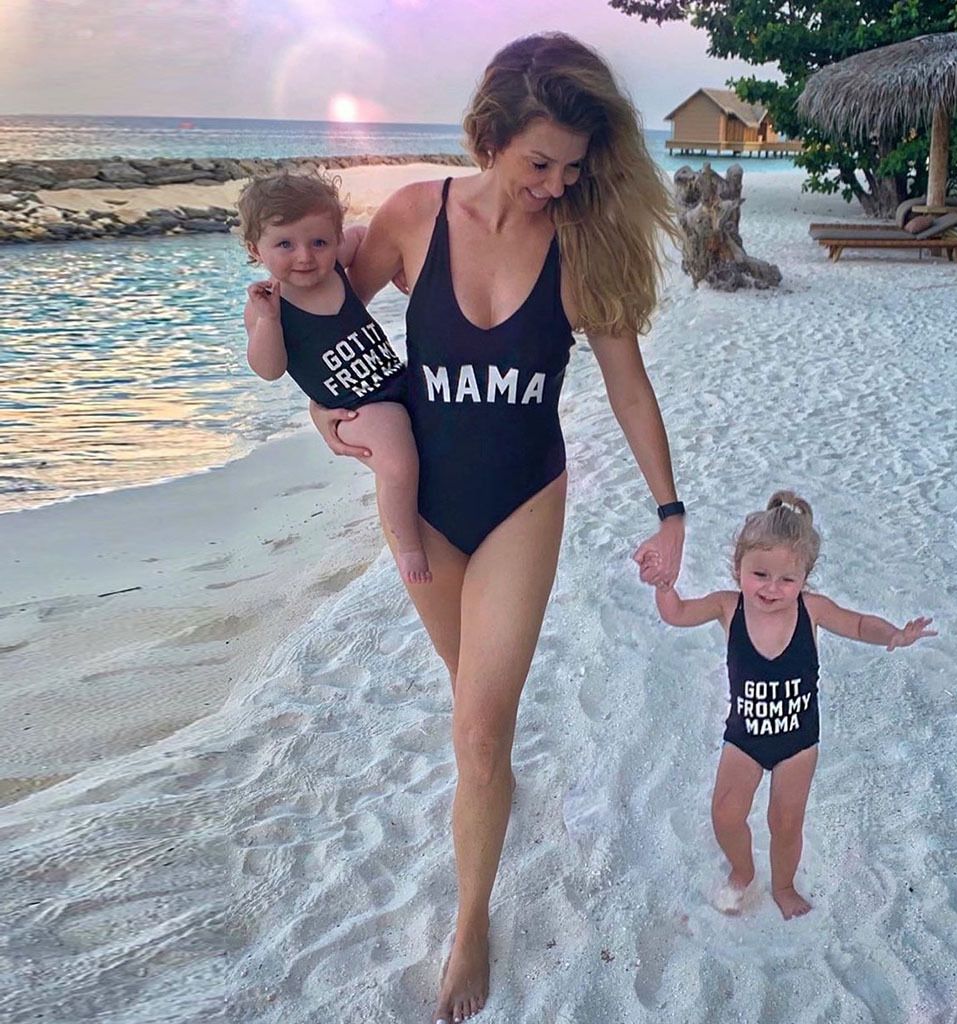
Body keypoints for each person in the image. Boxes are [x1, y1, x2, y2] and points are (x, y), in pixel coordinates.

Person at [310, 34, 686, 1023]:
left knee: (477, 729)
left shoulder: (582, 245)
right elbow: (326, 315)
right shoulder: (411, 218)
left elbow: (629, 388)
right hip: (425, 510)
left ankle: (469, 920)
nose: (557, 185)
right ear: (489, 137)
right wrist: (323, 408)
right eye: (538, 163)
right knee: (478, 717)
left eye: (573, 166)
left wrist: (670, 510)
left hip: (524, 500)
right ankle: (490, 812)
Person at [655, 490, 937, 920]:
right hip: (744, 738)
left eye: (787, 579)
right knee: (726, 813)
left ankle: (783, 887)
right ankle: (743, 871)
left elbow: (859, 623)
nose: (771, 588)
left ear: (805, 576)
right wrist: (663, 585)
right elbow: (676, 614)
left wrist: (894, 635)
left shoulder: (813, 610)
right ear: (738, 569)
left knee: (785, 823)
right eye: (760, 574)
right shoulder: (726, 607)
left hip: (798, 743)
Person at [238, 172, 430, 585]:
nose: (305, 256)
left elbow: (364, 236)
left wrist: (397, 265)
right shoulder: (267, 308)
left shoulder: (336, 267)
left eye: (319, 242)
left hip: (394, 377)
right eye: (285, 245)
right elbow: (269, 370)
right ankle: (407, 545)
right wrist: (269, 322)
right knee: (398, 464)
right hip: (357, 405)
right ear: (257, 250)